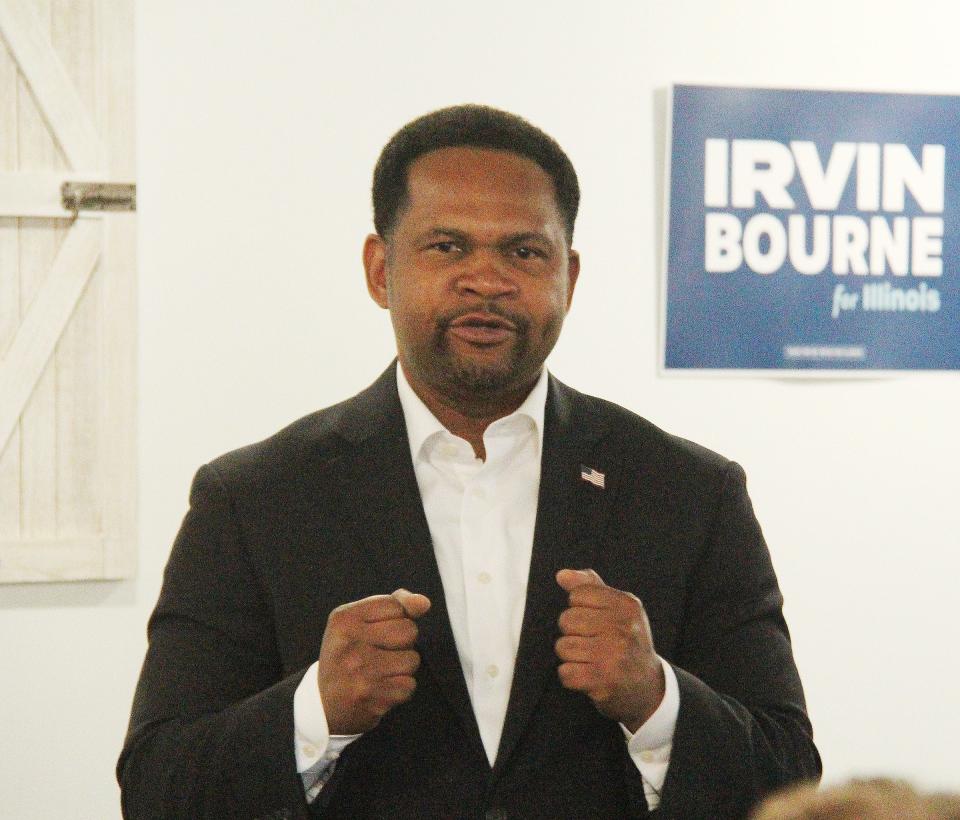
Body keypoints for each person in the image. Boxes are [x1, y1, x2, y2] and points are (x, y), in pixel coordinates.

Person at [118, 105, 821, 819]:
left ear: (568, 278)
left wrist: (658, 700)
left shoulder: (689, 494)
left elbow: (791, 777)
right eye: (448, 247)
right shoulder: (253, 499)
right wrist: (313, 711)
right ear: (378, 269)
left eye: (523, 252)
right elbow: (156, 788)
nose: (486, 279)